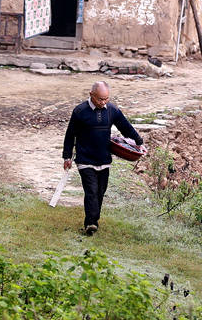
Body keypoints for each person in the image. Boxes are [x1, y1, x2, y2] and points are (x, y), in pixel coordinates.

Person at [62, 80, 146, 235]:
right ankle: (90, 223)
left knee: (100, 191)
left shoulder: (112, 110)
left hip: (104, 159)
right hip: (85, 159)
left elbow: (125, 127)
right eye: (100, 99)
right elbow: (70, 135)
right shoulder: (80, 111)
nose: (103, 102)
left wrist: (139, 142)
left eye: (106, 99)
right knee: (91, 191)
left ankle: (94, 219)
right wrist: (67, 156)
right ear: (91, 95)